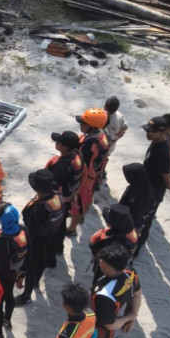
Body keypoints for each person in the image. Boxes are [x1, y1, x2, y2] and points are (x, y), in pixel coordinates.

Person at [81, 243, 142, 338]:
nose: (99, 262)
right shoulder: (130, 273)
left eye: (102, 262)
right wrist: (133, 314)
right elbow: (137, 293)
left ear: (110, 267)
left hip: (103, 334)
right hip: (117, 324)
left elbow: (109, 325)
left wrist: (129, 318)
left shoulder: (105, 296)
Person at [18, 169, 64, 306]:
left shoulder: (38, 209)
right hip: (51, 236)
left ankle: (27, 293)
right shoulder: (57, 197)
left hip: (37, 240)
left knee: (32, 265)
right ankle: (40, 276)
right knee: (43, 260)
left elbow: (30, 229)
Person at [0, 202, 27, 338]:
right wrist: (21, 275)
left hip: (1, 277)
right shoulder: (23, 232)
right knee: (9, 296)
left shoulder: (2, 243)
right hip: (14, 274)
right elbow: (29, 255)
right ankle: (7, 319)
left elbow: (1, 265)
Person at [65, 107, 109, 236]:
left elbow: (83, 166)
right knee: (87, 199)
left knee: (77, 204)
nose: (80, 124)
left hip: (85, 179)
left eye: (83, 123)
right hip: (93, 176)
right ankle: (82, 215)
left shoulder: (90, 146)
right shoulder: (101, 136)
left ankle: (71, 229)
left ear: (92, 127)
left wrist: (76, 183)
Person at [137, 115, 170, 254]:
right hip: (146, 183)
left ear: (162, 132)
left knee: (145, 219)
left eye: (151, 131)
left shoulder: (163, 151)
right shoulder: (157, 140)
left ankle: (136, 247)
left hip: (154, 189)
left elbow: (165, 173)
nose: (148, 134)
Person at [46, 130, 82, 260]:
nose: (56, 142)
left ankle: (54, 249)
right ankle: (59, 246)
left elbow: (52, 187)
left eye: (59, 142)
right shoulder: (77, 155)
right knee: (61, 222)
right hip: (70, 195)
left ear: (63, 146)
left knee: (55, 224)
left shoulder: (62, 167)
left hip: (60, 200)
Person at [88, 203, 139, 285]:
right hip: (120, 267)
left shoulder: (109, 239)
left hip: (106, 266)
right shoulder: (131, 235)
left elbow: (93, 244)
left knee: (98, 282)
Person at [119, 162, 154, 238]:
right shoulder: (143, 184)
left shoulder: (139, 194)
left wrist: (136, 229)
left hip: (129, 225)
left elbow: (137, 213)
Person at [100, 95, 128, 187]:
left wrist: (114, 139)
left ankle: (100, 175)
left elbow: (107, 136)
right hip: (111, 144)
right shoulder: (119, 115)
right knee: (105, 158)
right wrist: (118, 136)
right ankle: (102, 172)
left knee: (101, 160)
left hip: (106, 144)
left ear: (105, 106)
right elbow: (125, 127)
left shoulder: (109, 121)